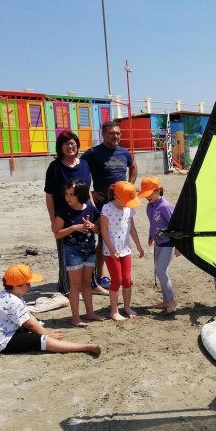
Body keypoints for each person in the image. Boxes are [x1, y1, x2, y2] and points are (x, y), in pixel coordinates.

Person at [0, 264, 100, 356]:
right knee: (42, 340)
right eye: (27, 284)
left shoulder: (9, 294)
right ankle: (85, 347)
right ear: (17, 286)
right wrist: (47, 335)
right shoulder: (12, 301)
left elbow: (27, 316)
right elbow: (30, 324)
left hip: (5, 331)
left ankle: (48, 337)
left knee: (37, 322)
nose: (30, 287)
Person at [44, 130, 107, 296]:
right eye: (65, 144)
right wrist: (53, 219)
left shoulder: (84, 164)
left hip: (84, 213)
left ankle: (92, 284)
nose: (69, 146)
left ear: (77, 145)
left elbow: (87, 193)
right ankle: (68, 287)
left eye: (72, 143)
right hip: (64, 216)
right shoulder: (55, 167)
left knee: (88, 250)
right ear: (60, 147)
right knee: (67, 252)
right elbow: (49, 195)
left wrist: (94, 213)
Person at [82, 121, 138, 288]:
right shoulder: (93, 153)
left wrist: (130, 186)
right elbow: (80, 171)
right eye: (112, 133)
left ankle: (121, 274)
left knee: (122, 236)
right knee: (104, 239)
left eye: (118, 133)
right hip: (103, 204)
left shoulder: (124, 152)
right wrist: (89, 192)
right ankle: (100, 276)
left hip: (122, 204)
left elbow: (134, 168)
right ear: (103, 135)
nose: (116, 136)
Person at [52, 179, 104, 327]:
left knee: (87, 284)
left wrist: (92, 226)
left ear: (80, 195)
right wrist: (74, 228)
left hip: (89, 251)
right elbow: (57, 233)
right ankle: (75, 318)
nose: (68, 197)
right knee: (75, 286)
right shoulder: (63, 210)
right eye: (66, 194)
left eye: (72, 194)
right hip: (72, 252)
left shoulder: (91, 210)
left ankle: (89, 313)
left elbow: (99, 230)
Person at [100, 181, 145, 321]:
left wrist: (138, 245)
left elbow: (131, 227)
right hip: (111, 251)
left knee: (127, 280)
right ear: (117, 196)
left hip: (125, 249)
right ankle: (114, 311)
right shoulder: (106, 209)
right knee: (116, 280)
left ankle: (126, 306)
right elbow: (104, 231)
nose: (128, 203)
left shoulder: (129, 208)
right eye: (127, 200)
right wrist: (112, 250)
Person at [139, 176, 180, 314]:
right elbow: (153, 223)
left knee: (161, 272)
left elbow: (175, 226)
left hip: (168, 243)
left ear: (157, 190)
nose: (147, 197)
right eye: (145, 195)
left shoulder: (165, 206)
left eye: (149, 194)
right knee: (159, 272)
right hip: (158, 243)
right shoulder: (150, 207)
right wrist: (151, 236)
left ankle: (172, 300)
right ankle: (165, 300)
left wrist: (178, 246)